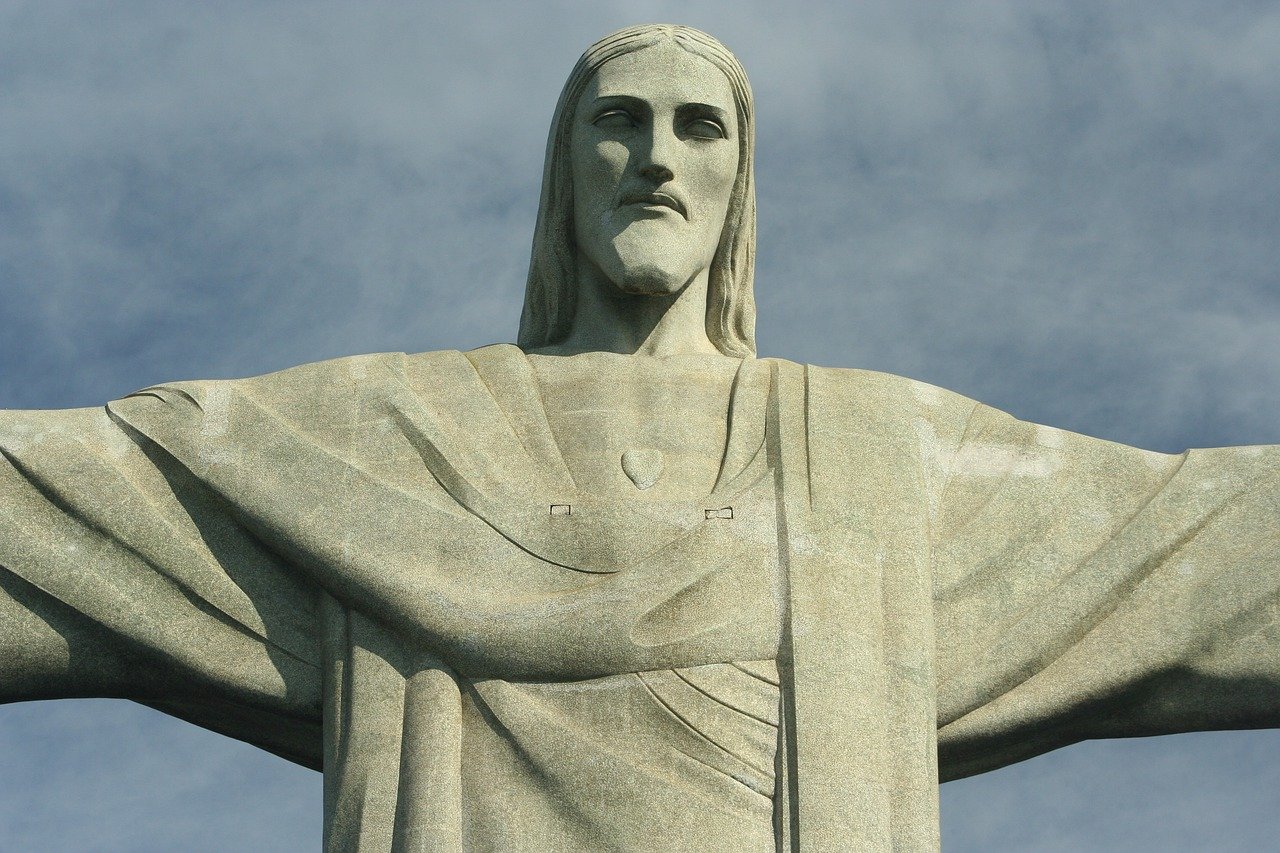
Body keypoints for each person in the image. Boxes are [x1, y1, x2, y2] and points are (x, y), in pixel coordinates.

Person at [2, 23, 1279, 853]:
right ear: (566, 169)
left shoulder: (872, 454)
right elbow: (58, 502)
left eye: (697, 125)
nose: (653, 158)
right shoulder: (390, 433)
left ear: (738, 186)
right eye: (616, 121)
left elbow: (1202, 544)